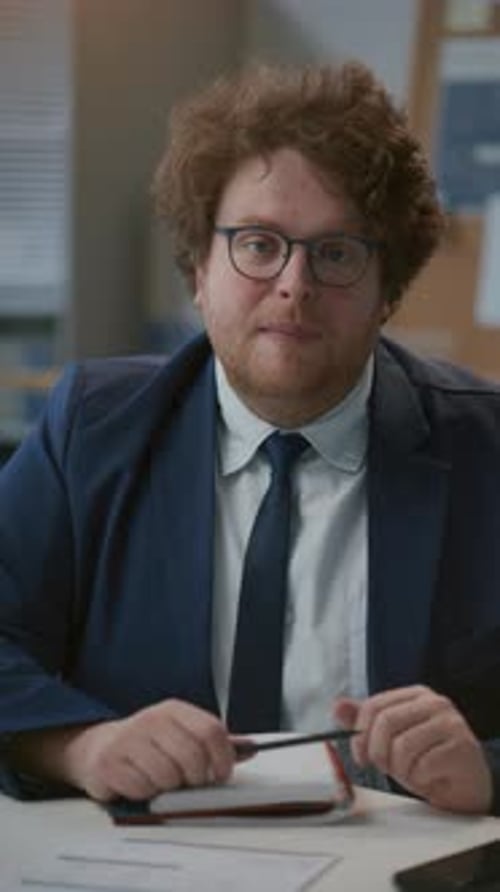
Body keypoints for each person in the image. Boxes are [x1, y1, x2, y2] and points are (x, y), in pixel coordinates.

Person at [0, 59, 499, 816]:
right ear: (199, 269)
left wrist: (490, 770)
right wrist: (83, 746)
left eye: (336, 253)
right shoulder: (91, 430)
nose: (294, 283)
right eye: (259, 244)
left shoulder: (488, 448)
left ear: (387, 292)